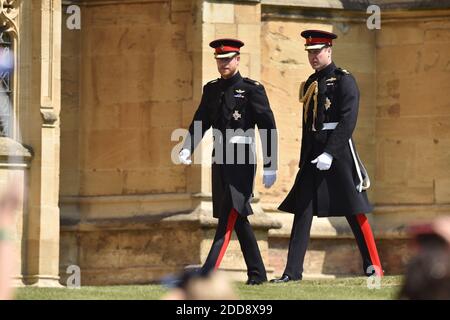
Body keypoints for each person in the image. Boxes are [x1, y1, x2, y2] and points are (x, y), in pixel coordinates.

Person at [271, 30, 383, 283]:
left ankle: (374, 266)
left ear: (329, 51)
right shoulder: (311, 82)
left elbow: (348, 120)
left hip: (339, 152)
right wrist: (306, 158)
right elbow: (308, 124)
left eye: (317, 51)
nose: (313, 56)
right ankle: (292, 273)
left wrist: (330, 153)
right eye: (310, 52)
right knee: (303, 211)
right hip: (314, 154)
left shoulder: (344, 80)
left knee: (355, 210)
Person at [178, 38, 278, 285]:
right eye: (219, 59)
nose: (223, 63)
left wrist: (270, 164)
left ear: (237, 59)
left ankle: (206, 273)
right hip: (220, 157)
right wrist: (187, 147)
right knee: (238, 217)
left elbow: (268, 127)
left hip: (242, 159)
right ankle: (258, 273)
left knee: (229, 215)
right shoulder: (211, 89)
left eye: (227, 59)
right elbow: (201, 120)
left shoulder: (252, 89)